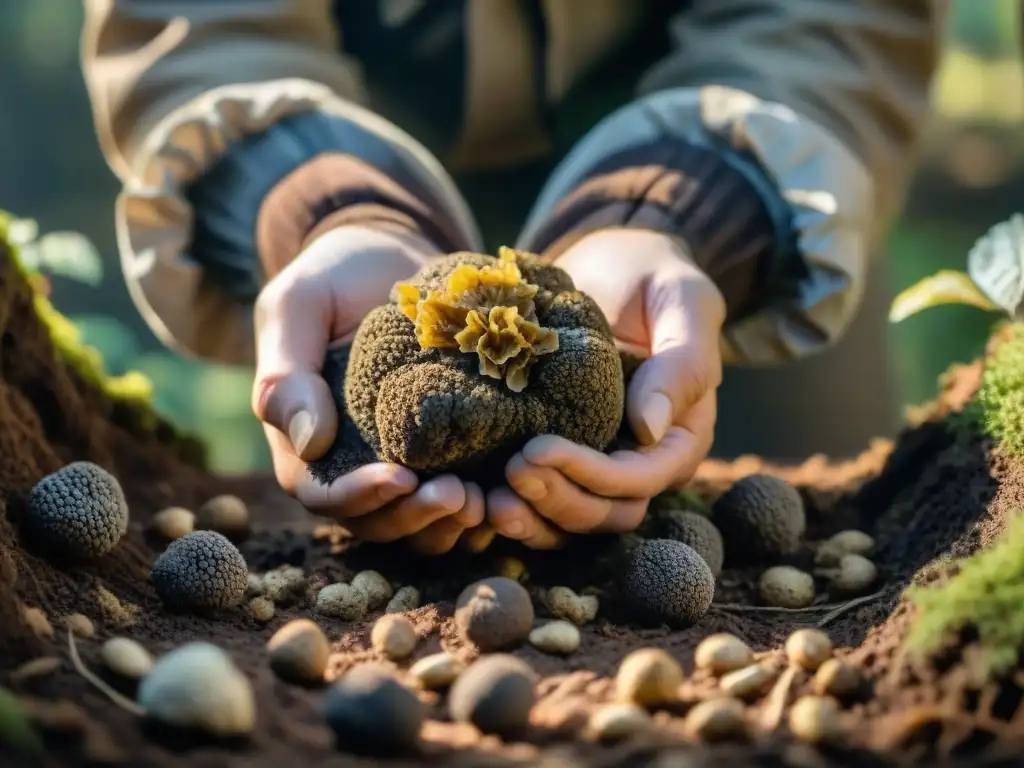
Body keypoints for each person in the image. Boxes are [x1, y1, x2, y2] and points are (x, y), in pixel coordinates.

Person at [80, 0, 946, 554]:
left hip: (721, 167)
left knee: (810, 527)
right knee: (360, 499)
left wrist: (677, 205)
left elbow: (835, 18)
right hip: (349, 127)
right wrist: (324, 204)